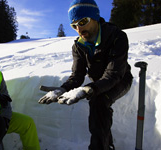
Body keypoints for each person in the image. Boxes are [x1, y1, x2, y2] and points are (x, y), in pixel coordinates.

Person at [38, 0, 133, 150]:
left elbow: (113, 74)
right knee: (98, 101)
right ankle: (106, 144)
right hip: (97, 82)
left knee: (99, 101)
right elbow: (77, 75)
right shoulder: (78, 46)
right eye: (74, 25)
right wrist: (62, 89)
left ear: (95, 17)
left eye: (83, 21)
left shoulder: (117, 37)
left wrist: (88, 89)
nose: (78, 28)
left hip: (120, 79)